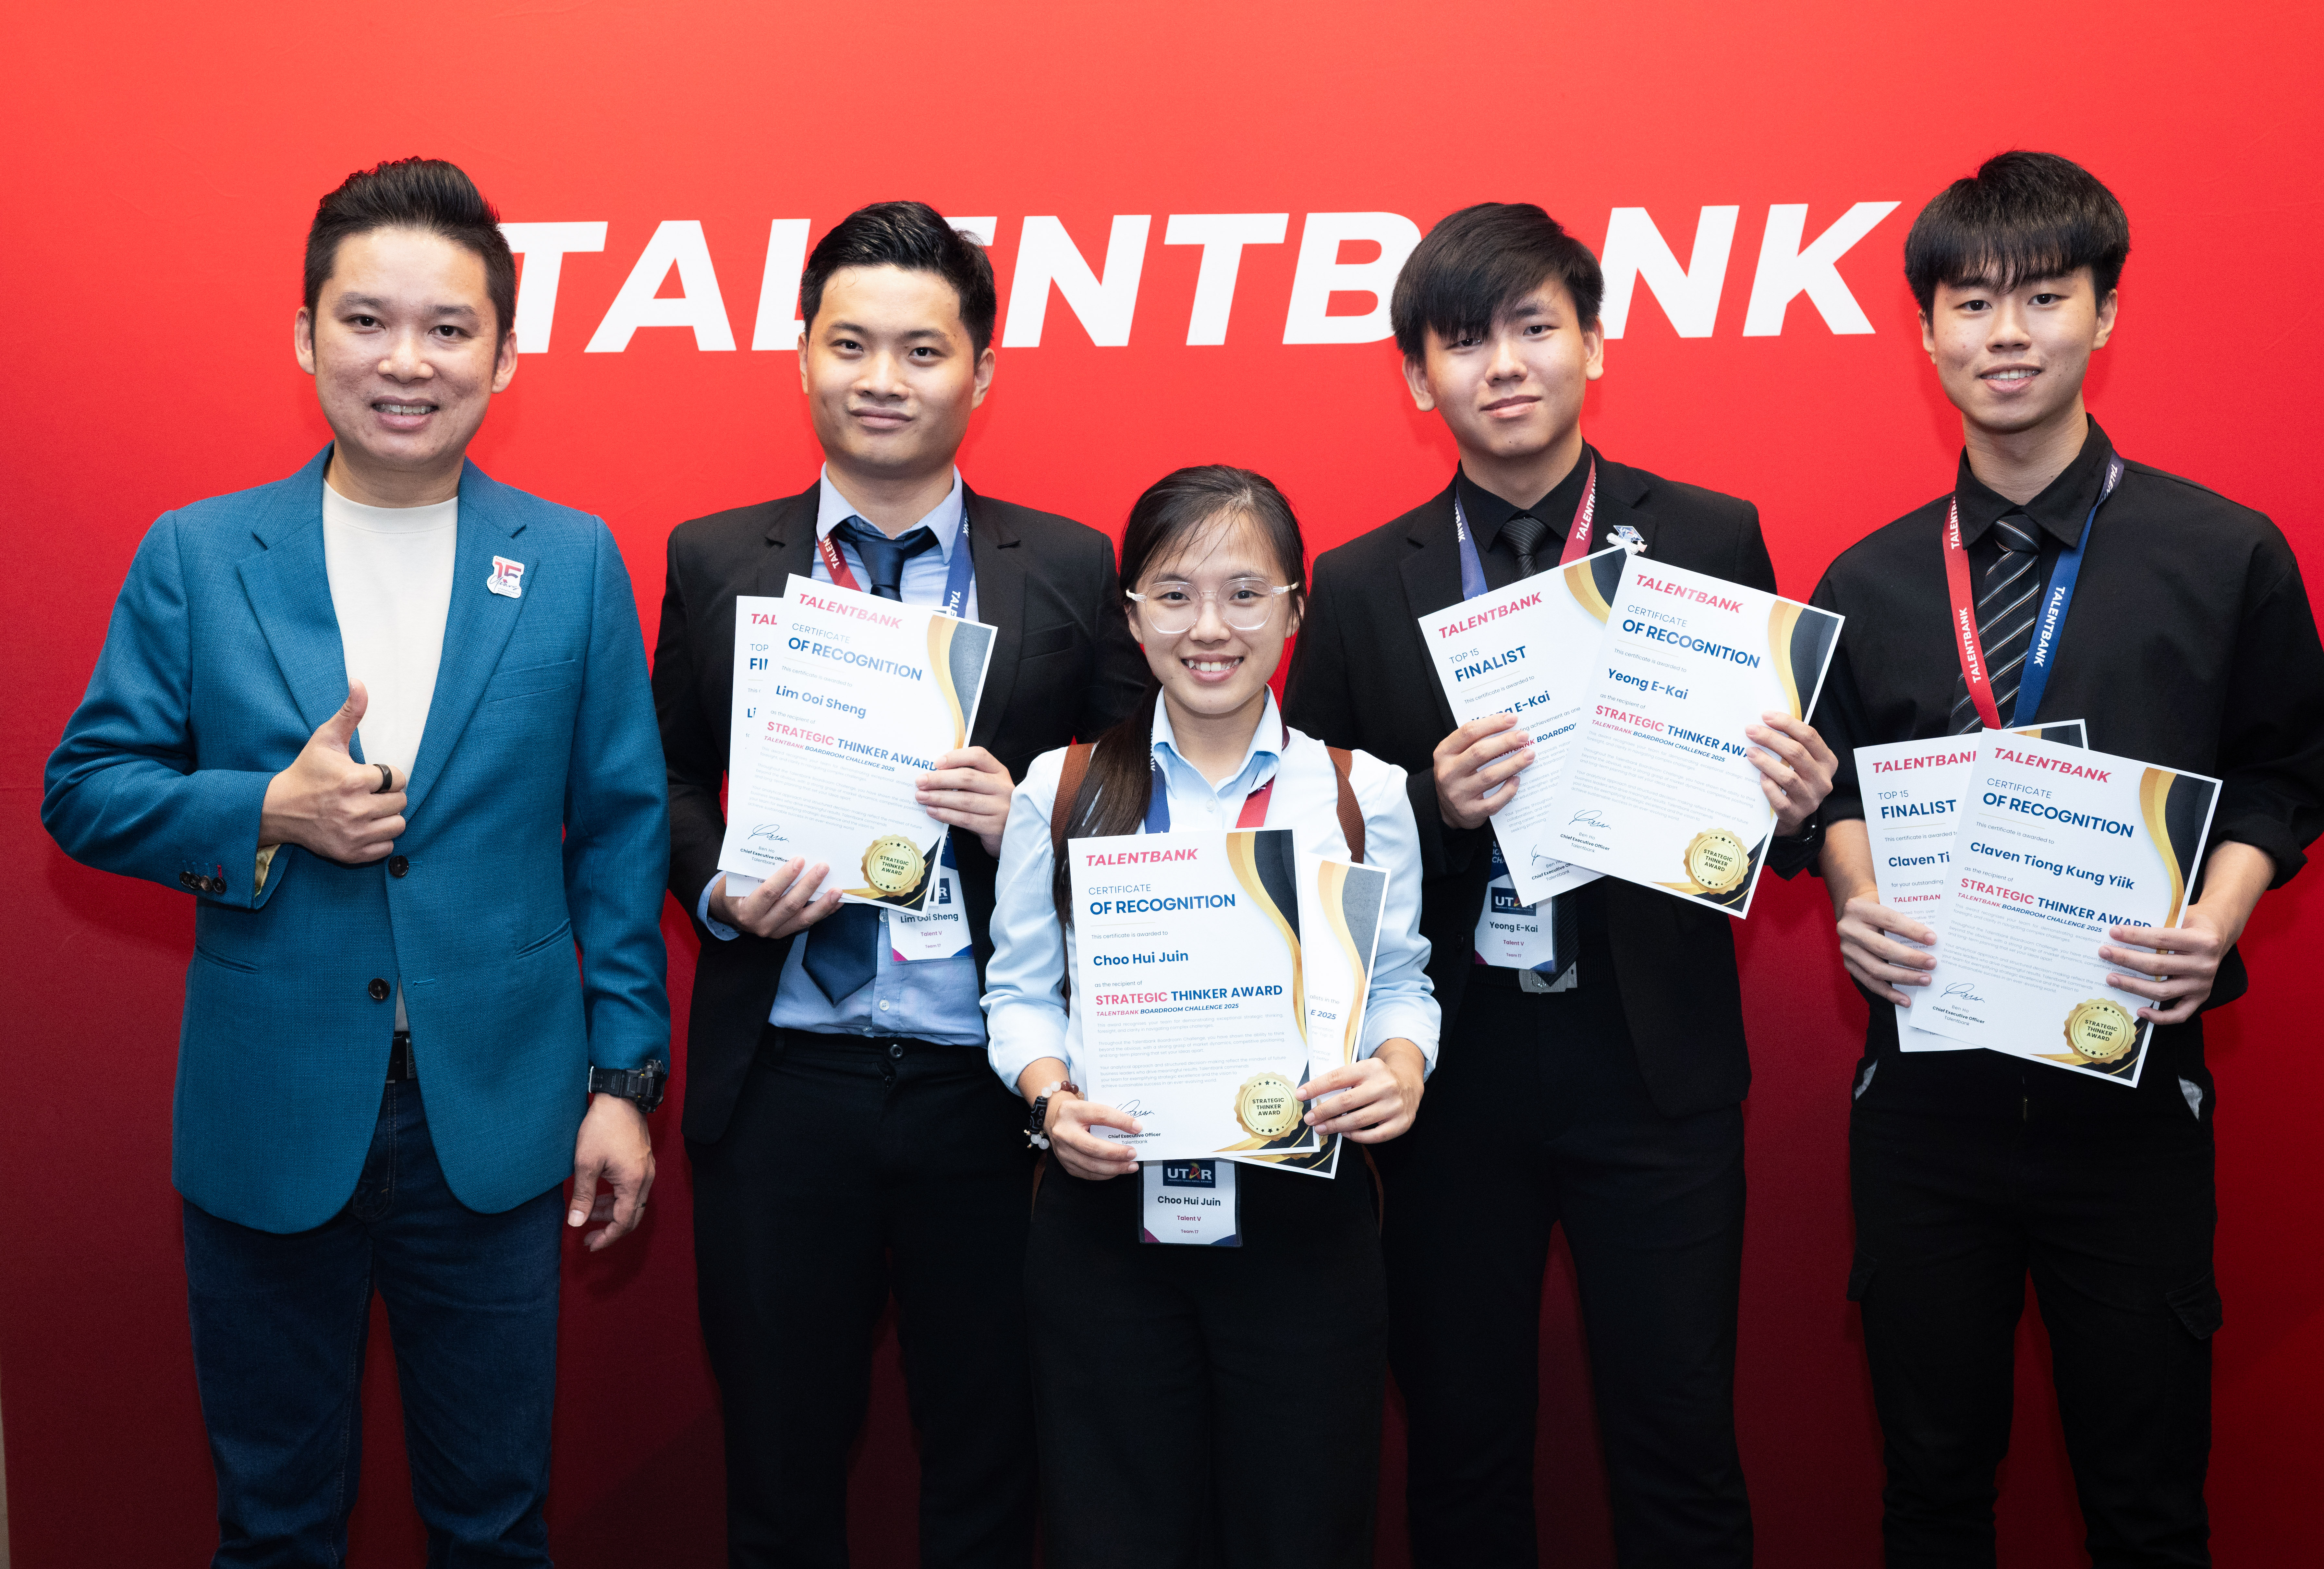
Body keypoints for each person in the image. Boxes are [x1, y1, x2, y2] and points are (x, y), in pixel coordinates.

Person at [42, 157, 671, 1566]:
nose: (407, 361)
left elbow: (621, 836)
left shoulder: (568, 561)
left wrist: (623, 1082)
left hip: (499, 1126)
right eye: (367, 320)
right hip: (272, 1113)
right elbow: (84, 791)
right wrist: (266, 809)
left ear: (505, 353)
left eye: (450, 329)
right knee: (273, 1525)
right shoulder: (200, 554)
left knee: (496, 1522)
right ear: (305, 335)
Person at [1281, 201, 1836, 1569]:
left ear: (1594, 343)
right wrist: (1430, 800)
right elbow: (1309, 841)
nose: (1503, 365)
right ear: (1418, 377)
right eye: (1463, 341)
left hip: (1652, 1064)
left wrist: (1790, 796)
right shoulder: (1355, 585)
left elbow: (1750, 807)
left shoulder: (1709, 533)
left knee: (1678, 1441)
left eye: (1534, 327)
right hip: (1450, 1075)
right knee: (1462, 1450)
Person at [1808, 151, 2324, 1567]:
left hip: (2132, 1094)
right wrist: (1855, 901)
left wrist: (2217, 920)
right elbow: (1828, 787)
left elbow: (2290, 767)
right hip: (1924, 1105)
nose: (2004, 334)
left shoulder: (2218, 553)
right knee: (1929, 1492)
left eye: (2041, 297)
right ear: (1921, 331)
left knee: (2146, 1497)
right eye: (1969, 304)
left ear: (2103, 314)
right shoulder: (1863, 581)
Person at [653, 200, 1151, 1569]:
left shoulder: (1064, 567)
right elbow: (671, 780)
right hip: (781, 1089)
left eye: (922, 350)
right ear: (799, 355)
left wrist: (1030, 822)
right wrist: (716, 890)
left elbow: (1137, 807)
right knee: (778, 1470)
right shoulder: (713, 558)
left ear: (979, 374)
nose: (884, 378)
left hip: (982, 1098)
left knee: (990, 1466)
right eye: (852, 344)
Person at [982, 464, 1439, 1568]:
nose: (1210, 629)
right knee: (1114, 1532)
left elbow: (1401, 982)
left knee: (1302, 1531)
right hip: (1106, 1229)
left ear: (1295, 608)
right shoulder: (1063, 787)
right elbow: (1020, 993)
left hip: (1303, 1233)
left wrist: (1402, 1067)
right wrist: (1051, 1102)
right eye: (1175, 594)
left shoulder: (1360, 793)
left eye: (1246, 593)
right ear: (1132, 615)